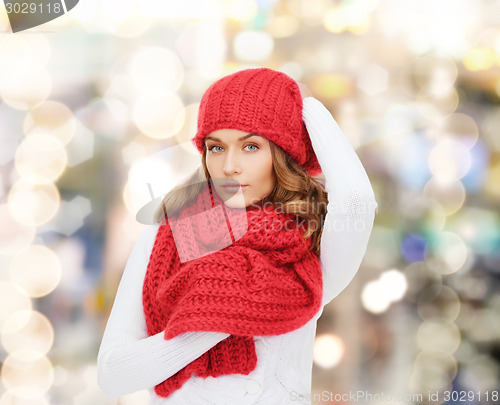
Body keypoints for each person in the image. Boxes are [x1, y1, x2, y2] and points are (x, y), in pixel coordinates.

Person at [97, 68, 378, 405]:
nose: (230, 166)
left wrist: (307, 108)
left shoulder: (309, 247)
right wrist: (217, 316)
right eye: (216, 148)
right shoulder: (164, 239)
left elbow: (358, 201)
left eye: (250, 146)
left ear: (283, 154)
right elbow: (112, 375)